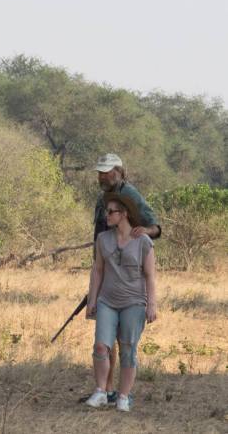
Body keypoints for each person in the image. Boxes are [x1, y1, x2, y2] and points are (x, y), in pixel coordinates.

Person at [91, 153, 161, 405]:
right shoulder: (103, 198)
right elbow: (100, 233)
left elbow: (155, 226)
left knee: (124, 340)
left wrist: (145, 231)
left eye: (107, 172)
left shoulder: (129, 195)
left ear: (119, 172)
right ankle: (106, 390)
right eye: (100, 172)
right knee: (105, 339)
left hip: (130, 272)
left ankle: (120, 393)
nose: (101, 176)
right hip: (107, 267)